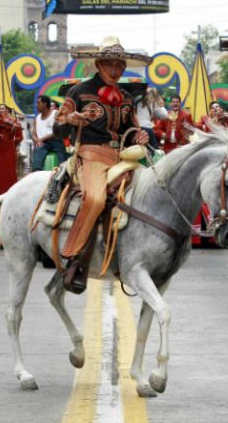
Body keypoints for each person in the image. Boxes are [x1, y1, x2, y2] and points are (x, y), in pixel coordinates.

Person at [53, 36, 151, 293]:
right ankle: (74, 257)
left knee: (151, 192)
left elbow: (132, 129)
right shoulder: (78, 92)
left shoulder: (128, 98)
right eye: (110, 65)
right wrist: (71, 120)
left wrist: (141, 136)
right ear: (99, 64)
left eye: (119, 65)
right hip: (90, 156)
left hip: (122, 158)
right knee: (95, 199)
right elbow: (56, 127)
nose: (116, 70)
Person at [32, 95, 69, 171]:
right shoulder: (37, 118)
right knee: (37, 157)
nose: (36, 105)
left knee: (63, 163)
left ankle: (64, 175)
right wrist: (36, 140)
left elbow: (56, 132)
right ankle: (36, 173)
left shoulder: (56, 114)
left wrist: (40, 139)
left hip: (56, 141)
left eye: (38, 103)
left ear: (45, 104)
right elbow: (33, 133)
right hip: (43, 144)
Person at [0, 105, 23, 193]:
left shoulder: (14, 121)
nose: (0, 110)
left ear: (8, 110)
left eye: (2, 109)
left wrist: (13, 130)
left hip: (9, 147)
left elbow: (17, 137)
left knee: (9, 169)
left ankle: (10, 190)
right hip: (0, 147)